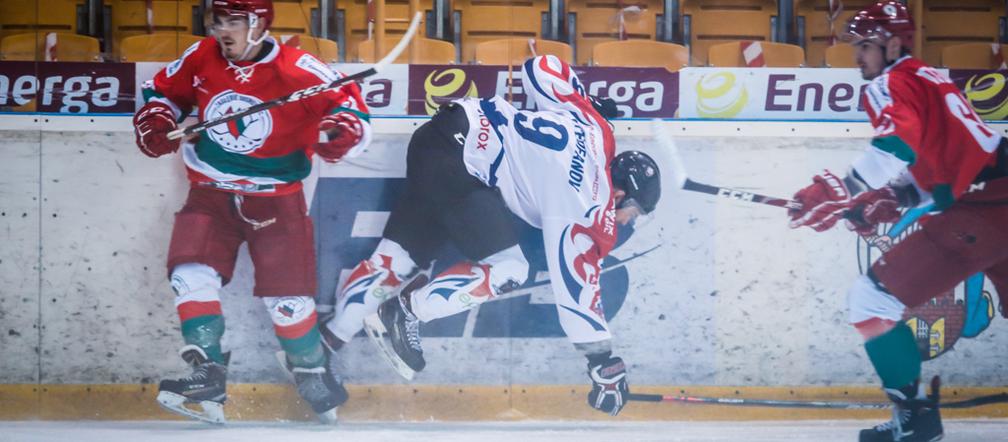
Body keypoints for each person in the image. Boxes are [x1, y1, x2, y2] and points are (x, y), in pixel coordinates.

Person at [317, 54, 661, 416]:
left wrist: (587, 100)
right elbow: (577, 294)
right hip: (462, 167)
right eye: (632, 212)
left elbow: (541, 66)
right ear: (620, 194)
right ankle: (408, 310)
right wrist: (602, 363)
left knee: (395, 260)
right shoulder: (588, 205)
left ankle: (318, 354)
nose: (625, 220)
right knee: (510, 268)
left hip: (438, 137)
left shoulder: (595, 127)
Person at [132, 0, 371, 424]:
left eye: (235, 22)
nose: (224, 31)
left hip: (276, 199)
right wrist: (155, 121)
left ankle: (311, 368)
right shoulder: (202, 56)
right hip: (210, 191)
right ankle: (207, 373)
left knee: (290, 305)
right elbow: (162, 92)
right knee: (190, 274)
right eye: (218, 21)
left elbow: (351, 109)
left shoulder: (299, 68)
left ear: (260, 24)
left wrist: (340, 132)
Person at [787, 2, 1008, 441]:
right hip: (997, 197)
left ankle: (914, 418)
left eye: (865, 46)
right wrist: (894, 195)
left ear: (893, 43)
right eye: (855, 46)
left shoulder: (891, 82)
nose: (858, 57)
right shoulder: (930, 77)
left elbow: (896, 146)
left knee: (870, 301)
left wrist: (839, 190)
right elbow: (950, 157)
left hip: (980, 215)